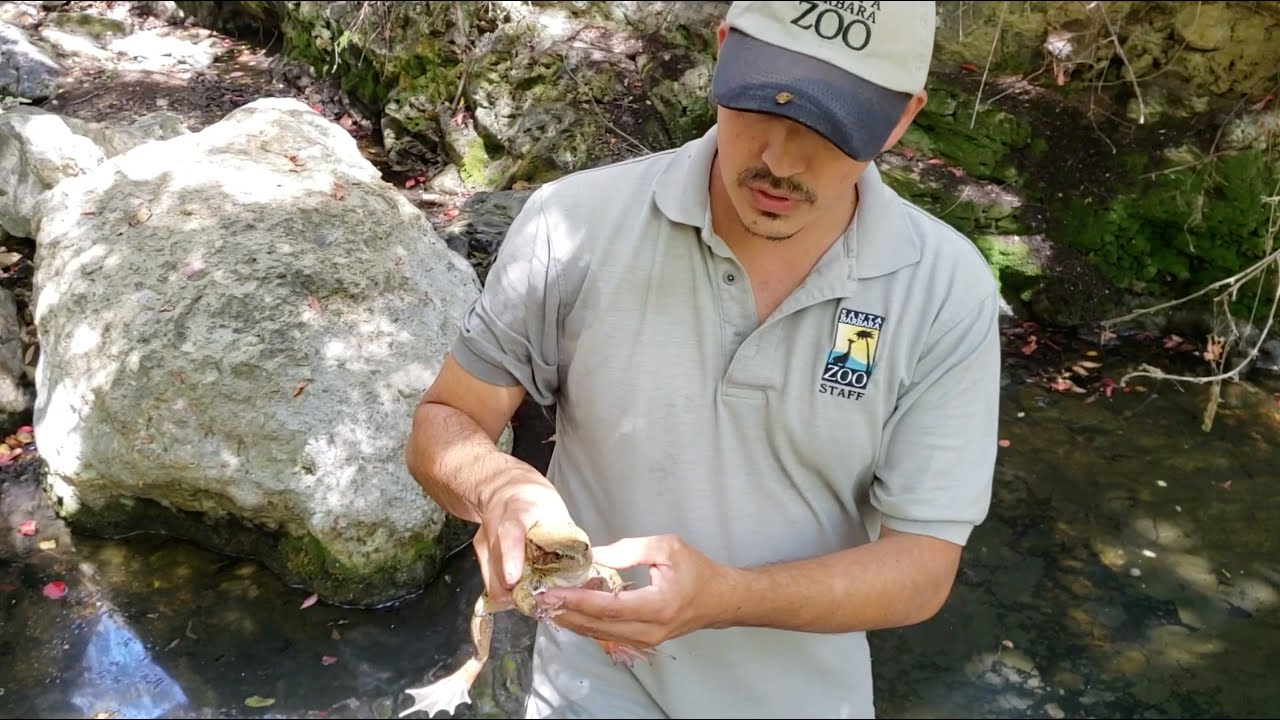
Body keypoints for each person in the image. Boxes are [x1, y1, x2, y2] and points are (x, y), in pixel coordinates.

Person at [404, 0, 1001, 717]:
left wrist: (727, 598)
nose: (780, 162)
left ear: (902, 117)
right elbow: (445, 420)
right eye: (764, 104)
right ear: (723, 52)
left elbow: (922, 567)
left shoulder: (944, 290)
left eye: (832, 127)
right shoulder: (574, 224)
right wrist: (498, 486)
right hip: (588, 688)